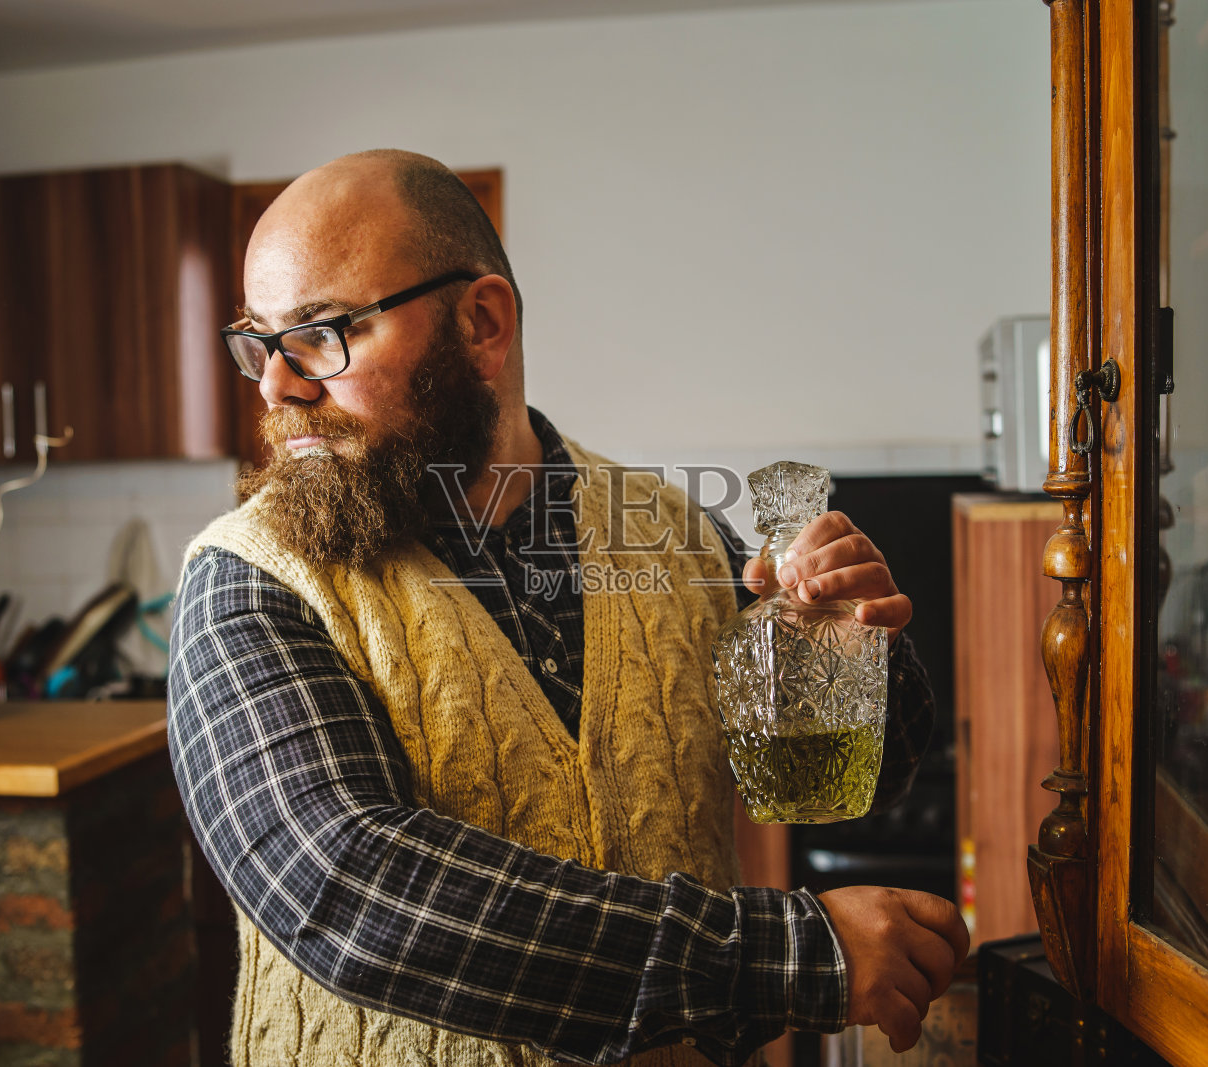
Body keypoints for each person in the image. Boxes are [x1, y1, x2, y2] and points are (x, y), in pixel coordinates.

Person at [168, 149, 969, 1067]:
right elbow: (350, 894)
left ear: (482, 322)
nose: (276, 385)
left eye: (321, 333)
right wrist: (786, 958)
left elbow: (871, 779)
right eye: (259, 343)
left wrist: (852, 647)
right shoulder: (245, 580)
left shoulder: (672, 533)